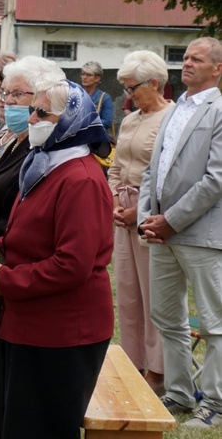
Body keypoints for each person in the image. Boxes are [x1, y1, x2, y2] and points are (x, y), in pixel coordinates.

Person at [0, 79, 114, 438]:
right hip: (31, 322)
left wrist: (6, 280)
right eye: (32, 111)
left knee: (39, 428)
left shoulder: (81, 179)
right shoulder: (46, 165)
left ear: (71, 121)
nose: (31, 119)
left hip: (61, 332)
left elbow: (72, 264)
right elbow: (33, 237)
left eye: (43, 113)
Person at [0, 56, 65, 437]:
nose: (5, 101)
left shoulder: (45, 152)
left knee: (8, 382)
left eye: (17, 94)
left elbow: (33, 218)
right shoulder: (8, 138)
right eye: (3, 92)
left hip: (13, 271)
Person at [138, 36, 222, 428]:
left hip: (201, 232)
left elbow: (215, 179)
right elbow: (153, 170)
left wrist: (171, 219)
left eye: (196, 59)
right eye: (184, 57)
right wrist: (146, 217)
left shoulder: (218, 109)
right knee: (166, 316)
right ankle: (179, 392)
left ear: (217, 68)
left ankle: (216, 404)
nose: (186, 63)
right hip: (161, 232)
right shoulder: (175, 109)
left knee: (213, 321)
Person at [108, 50, 174, 396]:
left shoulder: (173, 118)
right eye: (125, 88)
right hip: (124, 210)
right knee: (128, 293)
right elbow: (116, 167)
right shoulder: (131, 120)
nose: (128, 95)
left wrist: (140, 210)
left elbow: (171, 174)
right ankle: (133, 361)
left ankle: (159, 371)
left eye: (133, 88)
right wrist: (116, 200)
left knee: (154, 295)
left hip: (154, 213)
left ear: (154, 82)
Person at [81, 61, 114, 130]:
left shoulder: (105, 98)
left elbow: (107, 121)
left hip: (96, 138)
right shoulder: (77, 95)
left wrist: (86, 124)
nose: (84, 77)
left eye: (89, 75)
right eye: (83, 74)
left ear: (97, 78)